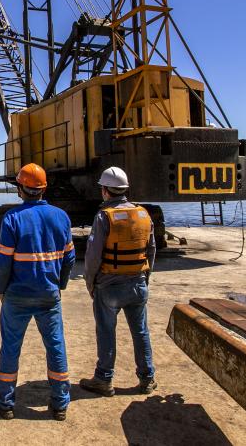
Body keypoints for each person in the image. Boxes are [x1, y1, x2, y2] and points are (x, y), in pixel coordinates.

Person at [0, 163, 75, 421]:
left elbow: (3, 262)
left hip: (17, 296)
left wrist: (1, 289)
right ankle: (60, 403)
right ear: (43, 188)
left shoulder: (12, 219)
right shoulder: (61, 217)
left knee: (10, 348)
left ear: (20, 188)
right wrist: (60, 285)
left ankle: (5, 401)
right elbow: (69, 258)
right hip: (49, 295)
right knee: (56, 346)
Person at [80, 166, 157, 397]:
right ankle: (147, 378)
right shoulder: (143, 214)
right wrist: (145, 277)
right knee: (141, 332)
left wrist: (90, 282)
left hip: (110, 286)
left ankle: (104, 379)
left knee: (106, 331)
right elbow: (151, 250)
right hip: (138, 283)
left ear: (105, 191)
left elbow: (93, 256)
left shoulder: (104, 216)